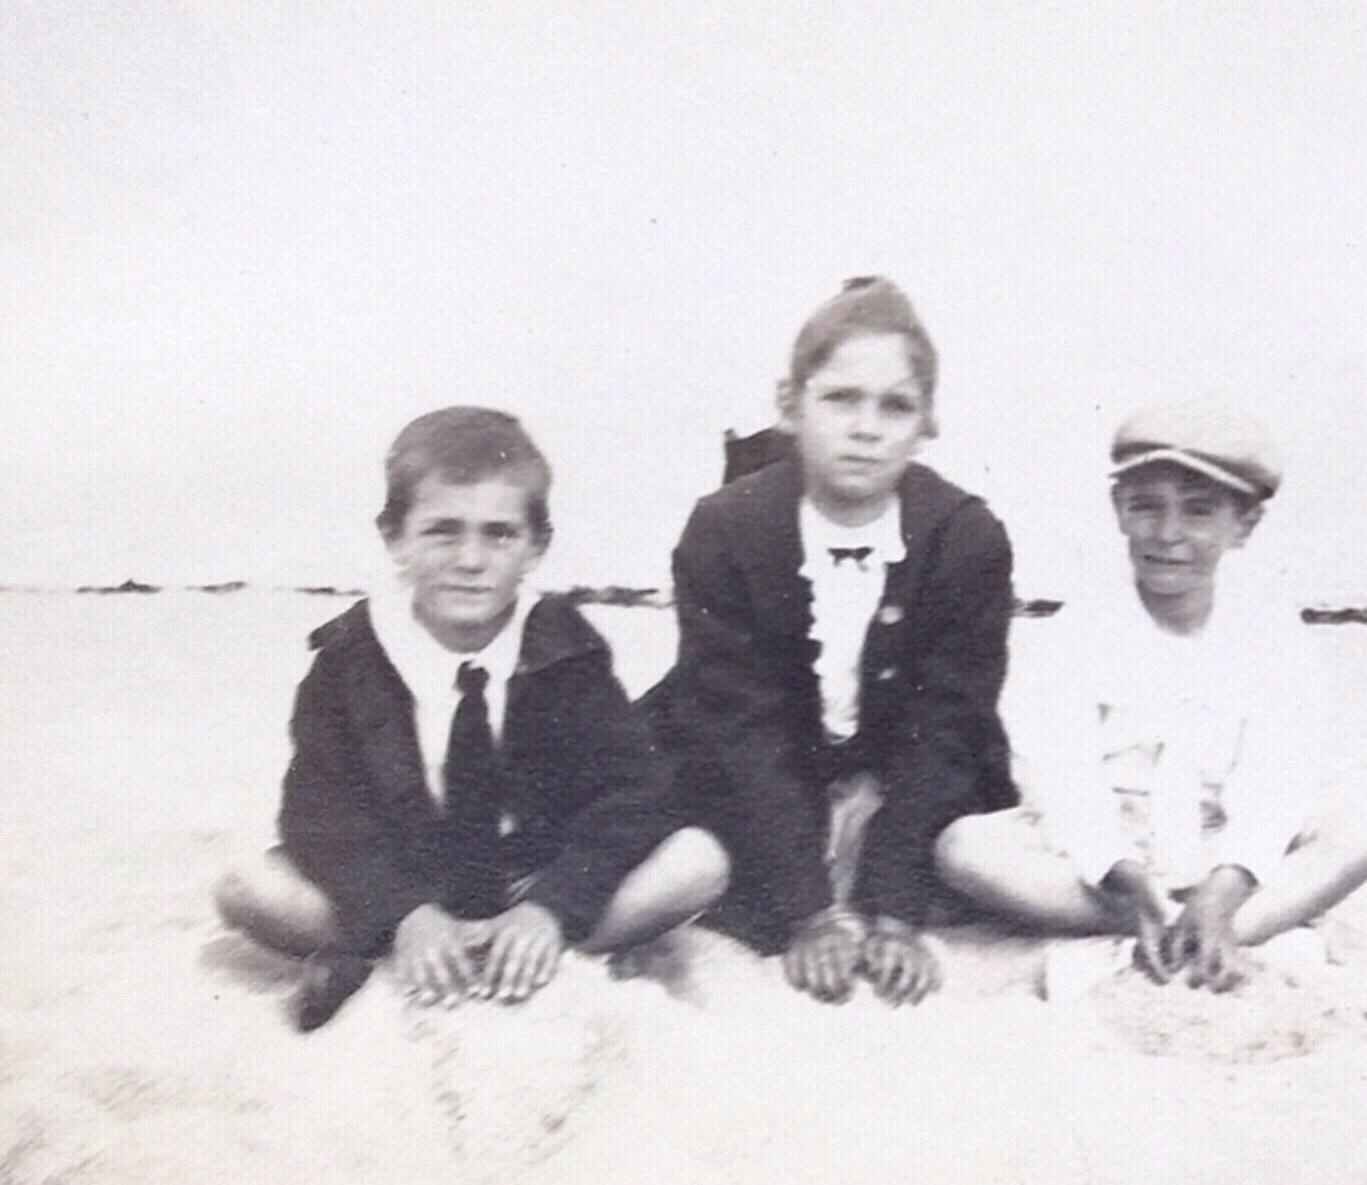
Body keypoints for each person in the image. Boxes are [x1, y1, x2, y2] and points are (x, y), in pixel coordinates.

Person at [215, 407, 729, 1031]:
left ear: (537, 545)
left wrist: (550, 908)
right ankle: (420, 952)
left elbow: (629, 798)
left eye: (499, 534)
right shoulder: (349, 658)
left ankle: (524, 951)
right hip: (408, 884)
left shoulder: (566, 647)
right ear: (394, 537)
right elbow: (319, 812)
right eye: (442, 531)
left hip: (533, 879)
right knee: (247, 886)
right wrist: (404, 914)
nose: (471, 559)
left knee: (699, 861)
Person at [936, 402, 1367, 996]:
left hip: (1220, 849)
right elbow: (1063, 783)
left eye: (1199, 511)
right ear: (1119, 509)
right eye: (1146, 506)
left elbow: (1276, 782)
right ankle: (1208, 931)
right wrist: (1126, 878)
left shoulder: (1273, 633)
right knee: (964, 848)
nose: (1168, 533)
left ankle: (1206, 927)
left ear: (1245, 525)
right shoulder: (1075, 632)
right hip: (1110, 863)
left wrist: (1225, 886)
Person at [641, 277, 1015, 1006]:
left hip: (897, 787)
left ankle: (882, 895)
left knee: (965, 853)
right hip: (758, 779)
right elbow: (737, 726)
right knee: (684, 854)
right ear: (791, 404)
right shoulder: (726, 528)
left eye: (895, 406)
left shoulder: (966, 538)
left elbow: (946, 730)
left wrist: (895, 912)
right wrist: (808, 913)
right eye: (841, 398)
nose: (866, 428)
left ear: (928, 422)